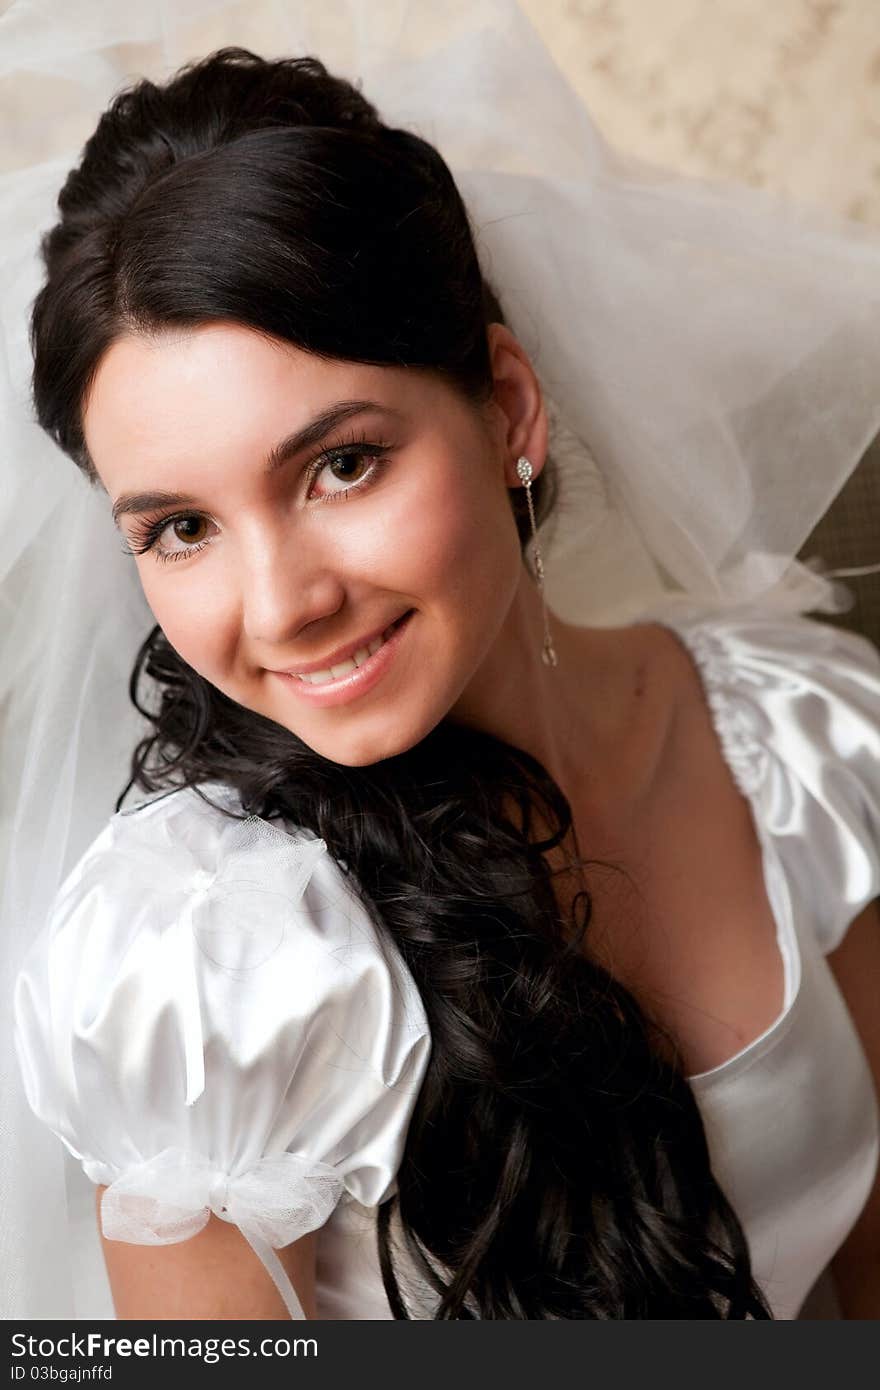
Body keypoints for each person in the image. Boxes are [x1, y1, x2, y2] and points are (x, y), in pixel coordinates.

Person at [6, 21, 880, 1322]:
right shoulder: (205, 962)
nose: (285, 605)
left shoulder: (813, 749)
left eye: (339, 464)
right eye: (182, 526)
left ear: (509, 405)